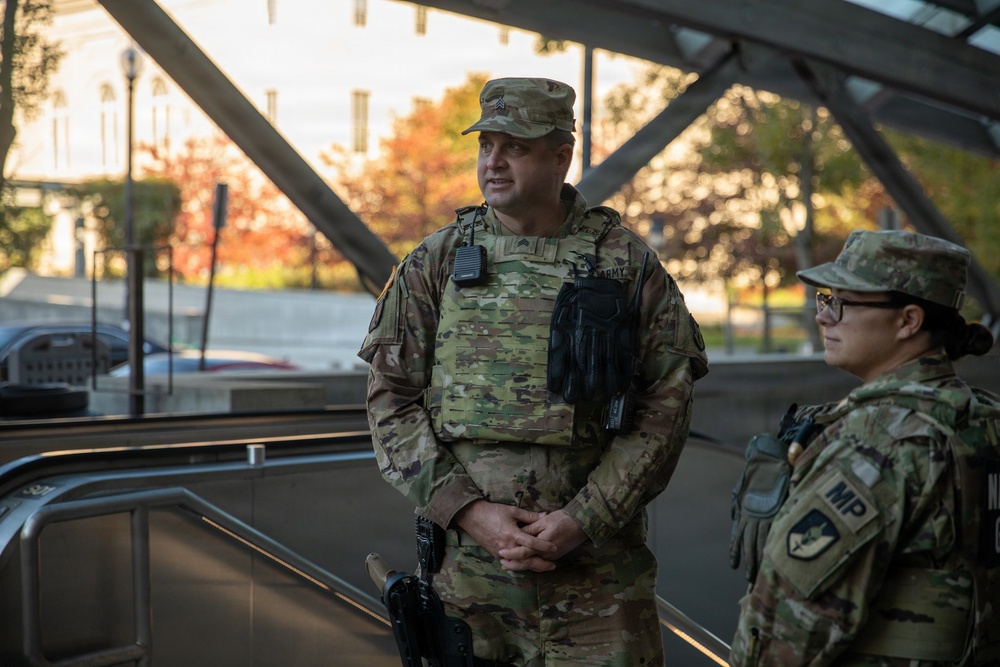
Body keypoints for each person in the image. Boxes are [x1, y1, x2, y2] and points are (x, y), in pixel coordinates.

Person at [359, 77, 709, 666]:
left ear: (561, 156)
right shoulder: (437, 261)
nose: (493, 163)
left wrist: (585, 517)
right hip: (469, 580)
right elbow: (389, 400)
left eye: (514, 147)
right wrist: (469, 512)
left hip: (597, 577)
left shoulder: (626, 264)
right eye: (485, 146)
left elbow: (665, 408)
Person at [728, 229, 1000, 666]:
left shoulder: (881, 441)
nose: (823, 317)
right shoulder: (984, 421)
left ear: (908, 320)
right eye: (824, 300)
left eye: (842, 303)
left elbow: (787, 627)